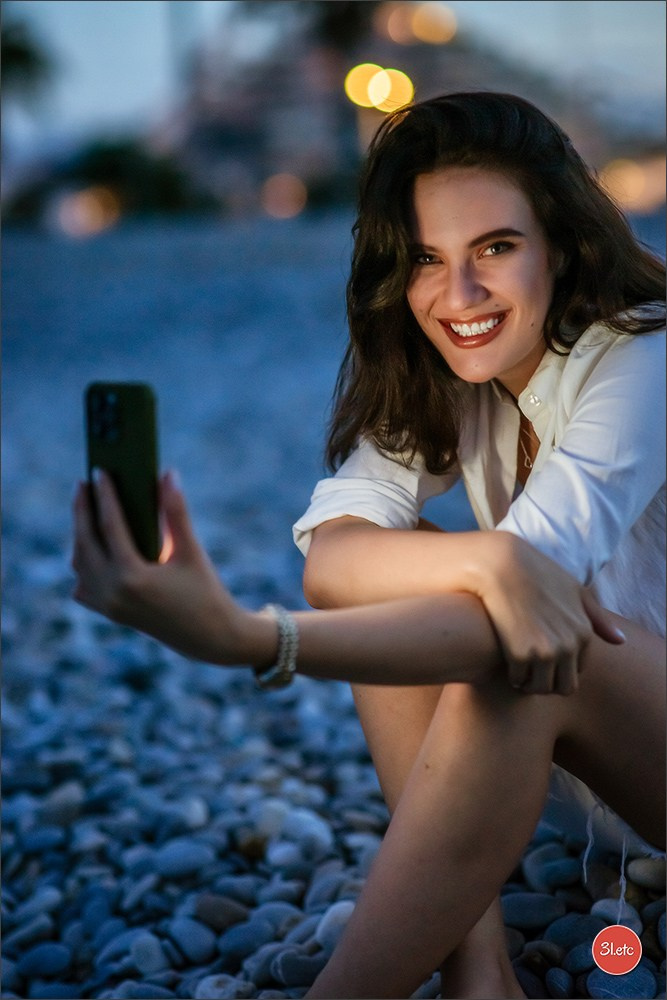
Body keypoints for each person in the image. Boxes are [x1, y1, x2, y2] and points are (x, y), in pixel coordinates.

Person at [72, 91, 665, 1000]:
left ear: (561, 242)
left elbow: (515, 623)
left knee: (528, 640)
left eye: (494, 249)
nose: (457, 296)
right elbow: (338, 553)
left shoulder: (644, 356)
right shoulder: (457, 372)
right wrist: (486, 558)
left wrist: (244, 637)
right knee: (424, 579)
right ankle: (478, 972)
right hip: (630, 786)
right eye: (426, 259)